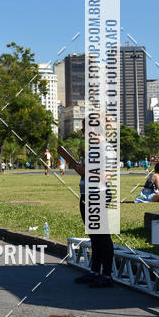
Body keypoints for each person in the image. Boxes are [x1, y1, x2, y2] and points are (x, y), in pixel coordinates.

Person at [58, 121, 115, 288]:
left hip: (98, 194)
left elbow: (105, 175)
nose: (83, 133)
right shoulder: (93, 149)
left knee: (103, 236)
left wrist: (84, 170)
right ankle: (94, 271)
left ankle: (107, 275)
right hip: (86, 194)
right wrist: (80, 168)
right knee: (94, 236)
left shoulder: (105, 149)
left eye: (85, 130)